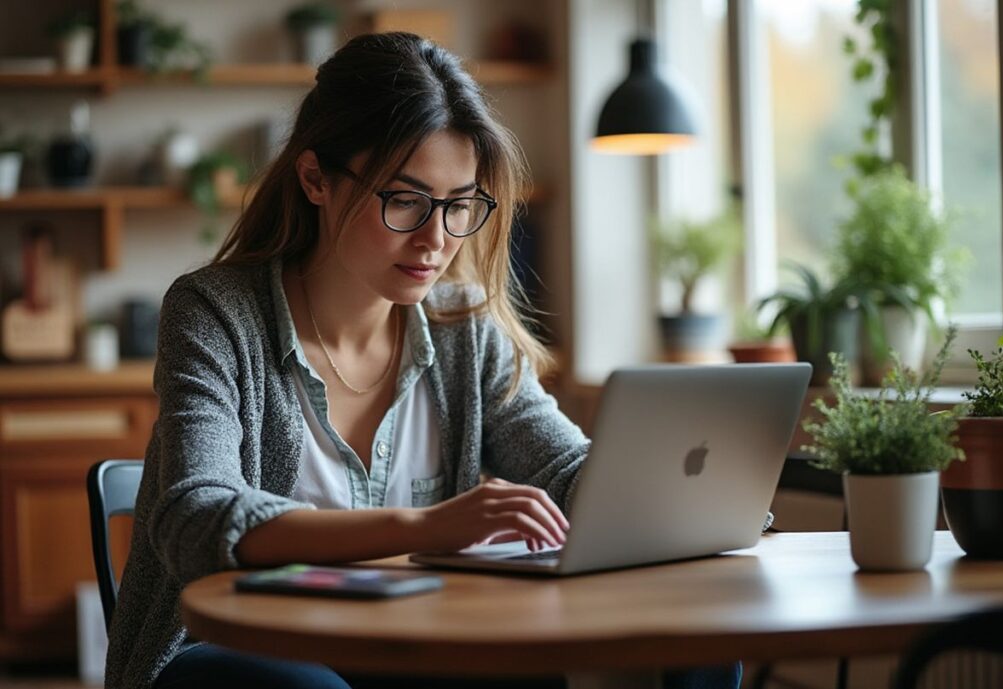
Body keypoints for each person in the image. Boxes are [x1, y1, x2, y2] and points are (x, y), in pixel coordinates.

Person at [104, 32, 741, 689]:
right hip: (233, 655)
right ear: (316, 178)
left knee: (677, 638)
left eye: (458, 204)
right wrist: (426, 527)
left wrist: (690, 507)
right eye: (405, 200)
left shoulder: (462, 325)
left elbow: (562, 465)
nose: (437, 240)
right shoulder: (214, 313)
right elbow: (197, 515)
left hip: (411, 646)